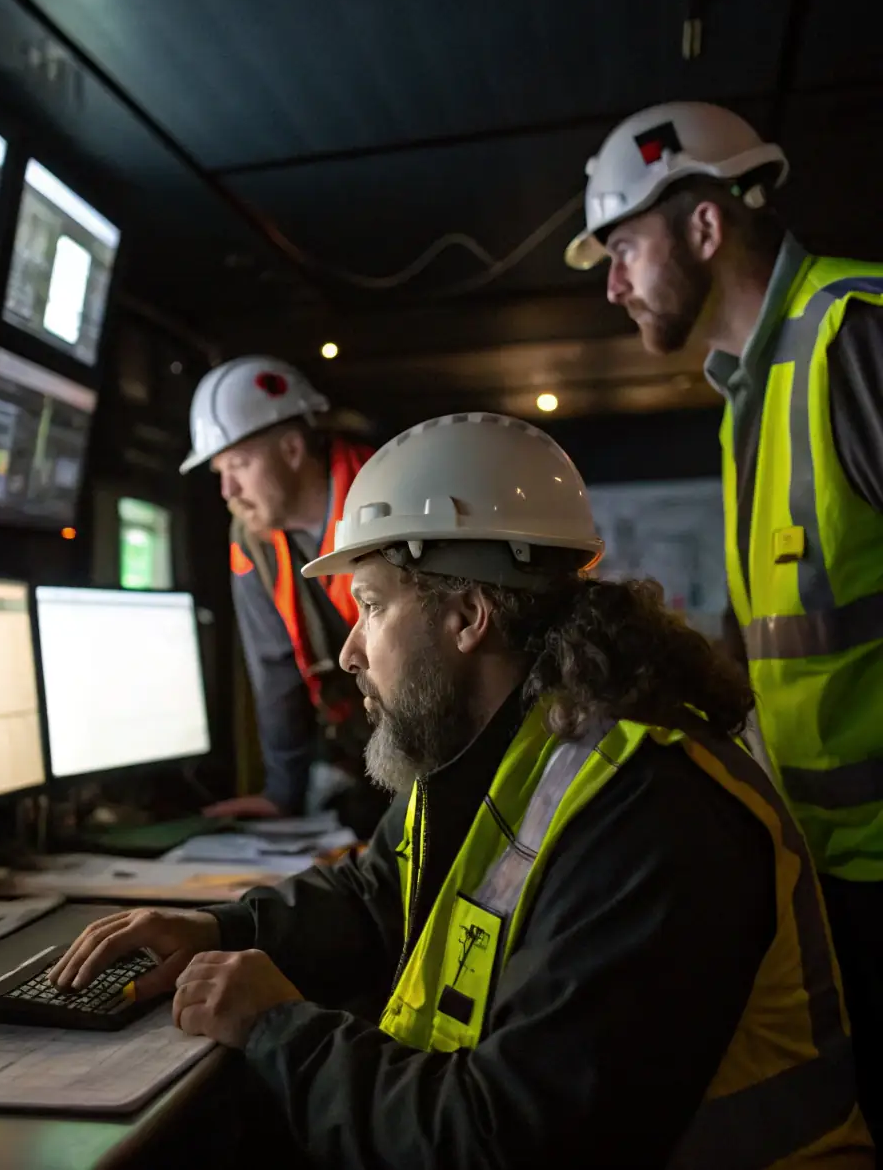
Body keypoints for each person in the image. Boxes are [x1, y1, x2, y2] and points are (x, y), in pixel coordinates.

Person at [54, 413, 870, 1169]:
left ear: (469, 614)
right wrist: (215, 925)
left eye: (370, 605)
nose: (347, 652)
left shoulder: (655, 817)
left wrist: (277, 1028)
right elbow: (379, 891)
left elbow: (503, 1138)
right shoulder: (515, 748)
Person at [565, 100, 883, 1133]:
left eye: (622, 247)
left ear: (703, 227)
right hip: (834, 870)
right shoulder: (749, 397)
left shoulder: (852, 334)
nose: (609, 283)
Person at [180, 355, 387, 838]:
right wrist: (282, 795)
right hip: (360, 749)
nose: (228, 489)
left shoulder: (389, 496)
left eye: (240, 465)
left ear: (293, 449)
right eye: (219, 472)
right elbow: (273, 668)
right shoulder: (251, 539)